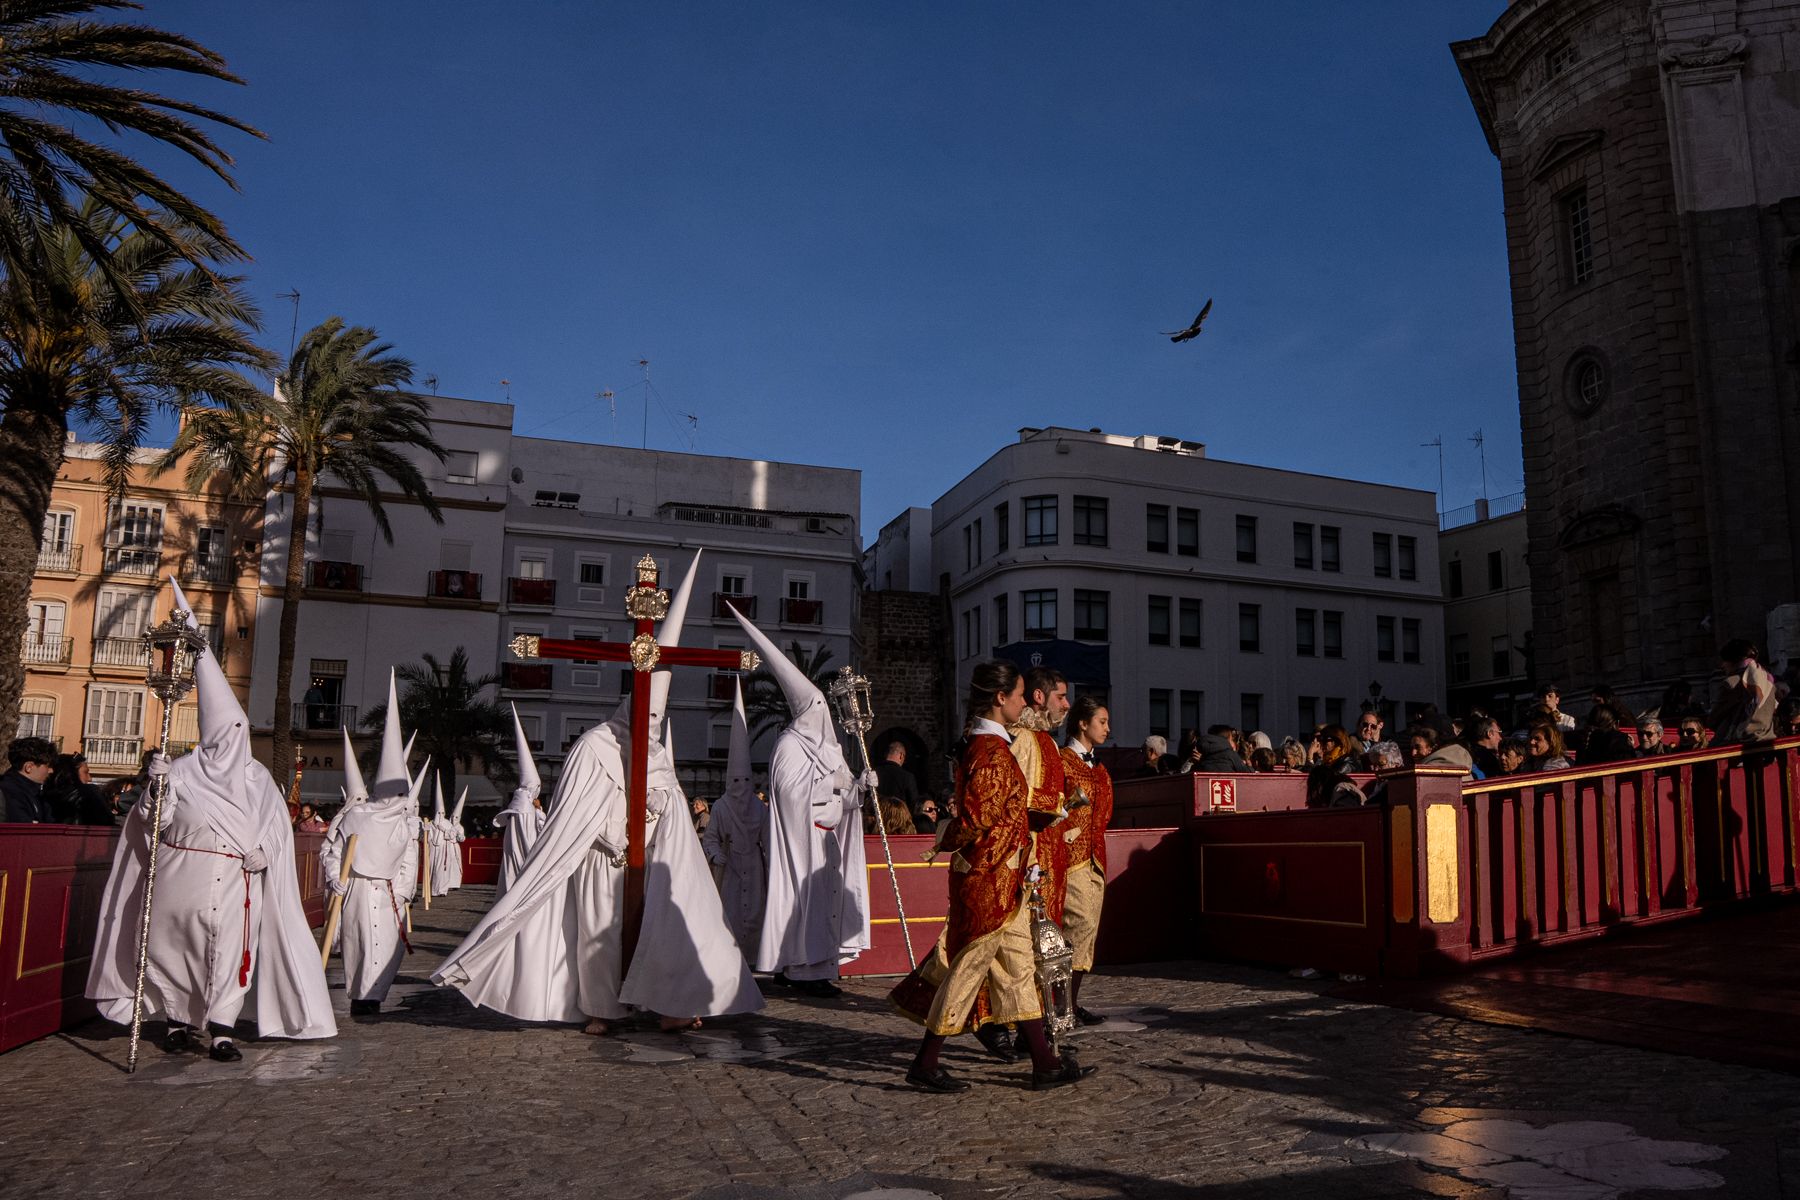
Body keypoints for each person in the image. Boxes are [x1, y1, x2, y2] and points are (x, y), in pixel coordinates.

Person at [435, 554, 762, 1034]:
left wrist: (656, 811)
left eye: (657, 721)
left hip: (650, 863)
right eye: (645, 717)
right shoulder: (593, 746)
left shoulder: (657, 756)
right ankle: (602, 1010)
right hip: (599, 859)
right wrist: (616, 833)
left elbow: (671, 813)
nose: (650, 728)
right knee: (599, 938)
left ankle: (668, 1003)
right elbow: (572, 814)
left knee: (666, 932)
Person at [86, 578, 335, 1059]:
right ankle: (177, 1022)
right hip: (180, 877)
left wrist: (268, 853)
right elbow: (152, 823)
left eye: (239, 730)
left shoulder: (258, 779)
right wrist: (155, 786)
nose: (234, 739)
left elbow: (275, 830)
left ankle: (221, 1029)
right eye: (227, 731)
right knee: (173, 951)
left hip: (233, 883)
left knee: (227, 958)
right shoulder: (179, 771)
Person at [889, 660, 1095, 1093]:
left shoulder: (986, 746)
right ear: (1000, 699)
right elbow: (978, 817)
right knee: (967, 969)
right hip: (990, 877)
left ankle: (1044, 1062)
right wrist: (948, 841)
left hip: (1007, 875)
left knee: (1017, 967)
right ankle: (926, 1062)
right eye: (1020, 695)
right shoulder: (990, 750)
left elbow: (998, 809)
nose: (1025, 702)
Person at [730, 606, 873, 999]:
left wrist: (859, 787)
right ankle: (800, 970)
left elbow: (842, 800)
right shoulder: (789, 745)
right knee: (803, 906)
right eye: (816, 709)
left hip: (827, 842)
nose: (821, 715)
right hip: (802, 843)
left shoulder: (829, 748)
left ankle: (819, 968)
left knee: (821, 908)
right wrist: (833, 782)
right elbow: (789, 794)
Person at [320, 672, 424, 1019]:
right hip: (359, 890)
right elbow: (333, 850)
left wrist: (405, 890)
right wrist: (337, 876)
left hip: (389, 891)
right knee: (359, 944)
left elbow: (409, 859)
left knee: (387, 949)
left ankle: (375, 995)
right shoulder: (356, 815)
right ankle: (360, 998)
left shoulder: (406, 823)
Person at [700, 679, 768, 958]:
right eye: (735, 780)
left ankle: (753, 956)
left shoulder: (759, 808)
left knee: (754, 911)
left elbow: (769, 840)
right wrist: (716, 855)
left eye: (745, 780)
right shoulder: (721, 807)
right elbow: (711, 837)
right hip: (729, 866)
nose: (740, 785)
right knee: (729, 912)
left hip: (753, 865)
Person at [1059, 696, 1114, 1026]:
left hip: (1094, 857)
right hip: (1070, 858)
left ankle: (1070, 1002)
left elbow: (1105, 814)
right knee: (1076, 925)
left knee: (1087, 931)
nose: (1107, 728)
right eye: (1102, 722)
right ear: (1083, 723)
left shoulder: (1100, 769)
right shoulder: (1062, 762)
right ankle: (1059, 1003)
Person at [493, 703, 546, 897]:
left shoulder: (518, 803)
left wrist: (539, 812)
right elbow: (530, 838)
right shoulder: (525, 807)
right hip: (523, 857)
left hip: (514, 854)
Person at [1709, 639, 1780, 744]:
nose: (1722, 665)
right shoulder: (1767, 680)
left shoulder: (1732, 682)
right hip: (1766, 738)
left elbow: (1714, 717)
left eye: (1725, 661)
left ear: (1734, 661)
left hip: (1738, 741)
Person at [44, 752, 115, 826]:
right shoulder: (89, 792)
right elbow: (107, 821)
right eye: (85, 772)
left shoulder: (39, 797)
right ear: (71, 774)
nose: (90, 778)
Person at [1305, 726, 1364, 808]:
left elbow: (1324, 780)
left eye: (1325, 740)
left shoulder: (1348, 763)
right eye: (1321, 740)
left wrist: (1310, 757)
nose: (1321, 743)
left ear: (1338, 741)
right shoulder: (1329, 760)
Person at [1, 736, 55, 823]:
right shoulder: (9, 793)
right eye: (48, 766)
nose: (51, 770)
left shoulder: (35, 793)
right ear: (29, 767)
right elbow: (22, 830)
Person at [874, 740, 920, 819]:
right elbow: (913, 803)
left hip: (876, 819)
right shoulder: (907, 777)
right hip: (898, 821)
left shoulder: (873, 773)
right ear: (901, 755)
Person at [1463, 715, 1503, 780]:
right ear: (1490, 733)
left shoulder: (1466, 752)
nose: (1500, 738)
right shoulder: (1488, 759)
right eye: (1499, 733)